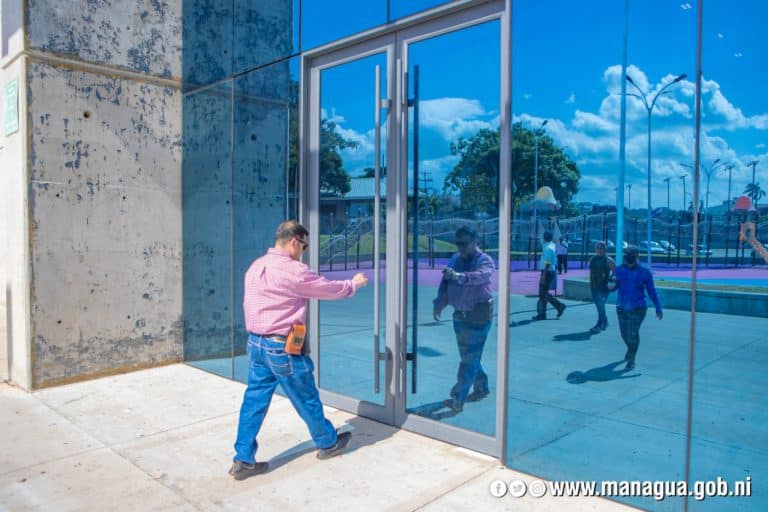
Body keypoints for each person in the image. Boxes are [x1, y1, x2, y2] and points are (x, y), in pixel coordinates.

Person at [230, 220, 369, 480]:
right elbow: (330, 289)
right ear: (294, 242)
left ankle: (243, 459)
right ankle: (328, 443)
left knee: (254, 401)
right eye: (304, 246)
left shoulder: (256, 265)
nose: (303, 252)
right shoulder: (293, 271)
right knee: (305, 396)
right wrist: (354, 283)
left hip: (256, 344)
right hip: (281, 346)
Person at [433, 226, 494, 413]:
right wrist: (439, 304)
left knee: (469, 358)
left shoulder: (485, 260)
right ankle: (482, 386)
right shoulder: (455, 259)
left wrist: (460, 276)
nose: (460, 247)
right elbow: (445, 283)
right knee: (469, 357)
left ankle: (458, 397)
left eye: (464, 244)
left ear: (475, 241)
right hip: (459, 316)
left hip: (479, 316)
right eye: (458, 243)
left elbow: (480, 276)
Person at [612, 245, 662, 370]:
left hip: (638, 308)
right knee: (624, 334)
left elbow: (651, 291)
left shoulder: (644, 272)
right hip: (621, 307)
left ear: (637, 256)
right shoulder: (618, 270)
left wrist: (658, 307)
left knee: (633, 333)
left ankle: (631, 358)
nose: (629, 257)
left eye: (632, 255)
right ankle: (630, 350)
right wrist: (608, 287)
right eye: (627, 254)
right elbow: (614, 286)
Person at [532, 231, 566, 320]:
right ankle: (544, 313)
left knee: (542, 293)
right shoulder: (552, 245)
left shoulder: (547, 247)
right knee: (544, 293)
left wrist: (543, 274)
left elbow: (547, 261)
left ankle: (556, 307)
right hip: (551, 271)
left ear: (545, 237)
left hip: (547, 271)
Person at [588, 241, 615, 333]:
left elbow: (615, 272)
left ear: (605, 249)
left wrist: (611, 279)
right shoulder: (592, 259)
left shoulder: (609, 260)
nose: (599, 250)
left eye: (601, 248)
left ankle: (599, 325)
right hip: (593, 285)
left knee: (601, 306)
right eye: (597, 248)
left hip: (603, 287)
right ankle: (605, 322)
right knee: (599, 306)